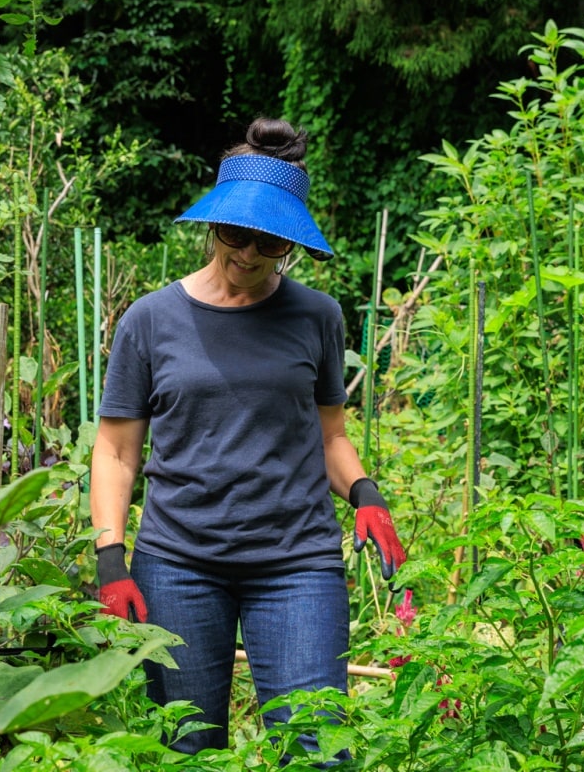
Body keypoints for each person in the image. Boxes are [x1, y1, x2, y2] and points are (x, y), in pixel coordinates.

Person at [89, 116, 408, 757]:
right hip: (177, 564)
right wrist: (110, 557)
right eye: (236, 235)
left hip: (297, 564)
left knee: (318, 749)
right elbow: (117, 450)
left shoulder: (317, 316)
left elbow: (329, 437)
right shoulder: (151, 321)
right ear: (214, 224)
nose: (248, 255)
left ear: (289, 245)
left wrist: (367, 494)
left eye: (269, 244)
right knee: (183, 750)